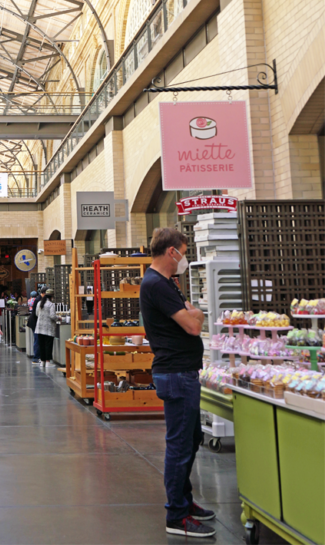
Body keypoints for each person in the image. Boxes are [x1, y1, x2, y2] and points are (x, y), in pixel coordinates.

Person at [139, 227, 214, 539]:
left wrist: (193, 315)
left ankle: (184, 499)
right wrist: (195, 315)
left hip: (181, 372)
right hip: (177, 374)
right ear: (172, 252)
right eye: (184, 251)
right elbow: (193, 325)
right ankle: (177, 515)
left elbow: (192, 318)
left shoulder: (164, 283)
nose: (185, 258)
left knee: (191, 438)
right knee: (180, 445)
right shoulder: (157, 284)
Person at [34, 288, 56, 368]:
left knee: (41, 345)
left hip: (39, 327)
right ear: (51, 296)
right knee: (48, 345)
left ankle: (42, 362)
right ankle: (47, 362)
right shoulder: (51, 304)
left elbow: (36, 314)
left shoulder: (39, 303)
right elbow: (52, 316)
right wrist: (58, 318)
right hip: (48, 328)